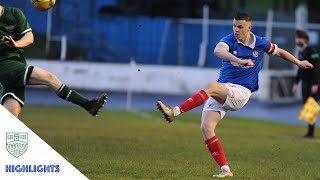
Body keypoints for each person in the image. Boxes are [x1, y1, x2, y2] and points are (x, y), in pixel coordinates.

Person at [157, 12, 313, 178]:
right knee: (206, 128)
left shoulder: (260, 43)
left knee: (211, 87)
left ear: (249, 28)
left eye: (240, 27)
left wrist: (298, 63)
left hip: (241, 92)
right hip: (224, 90)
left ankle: (174, 112)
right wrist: (239, 60)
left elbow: (280, 52)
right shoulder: (229, 40)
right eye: (234, 26)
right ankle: (225, 169)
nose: (236, 30)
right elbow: (218, 51)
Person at [0, 5, 107, 118]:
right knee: (49, 78)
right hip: (4, 65)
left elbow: (29, 37)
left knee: (10, 118)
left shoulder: (14, 13)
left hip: (18, 63)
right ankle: (88, 105)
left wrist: (16, 44)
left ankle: (89, 105)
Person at [292, 30, 320, 138]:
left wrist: (315, 83)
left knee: (311, 106)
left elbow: (316, 68)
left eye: (298, 38)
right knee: (307, 106)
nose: (297, 40)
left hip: (312, 83)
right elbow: (300, 69)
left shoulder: (311, 51)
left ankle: (311, 132)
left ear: (304, 39)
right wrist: (296, 83)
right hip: (304, 83)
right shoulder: (301, 52)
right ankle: (310, 131)